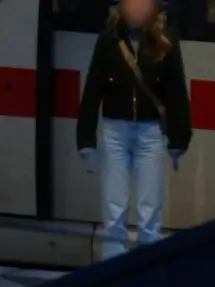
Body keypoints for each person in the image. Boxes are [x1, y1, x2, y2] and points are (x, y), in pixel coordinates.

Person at [76, 0, 190, 260]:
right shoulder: (109, 40)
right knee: (114, 205)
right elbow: (92, 90)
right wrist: (85, 140)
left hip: (150, 132)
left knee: (150, 206)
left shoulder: (165, 40)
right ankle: (112, 263)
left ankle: (148, 265)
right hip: (114, 130)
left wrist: (179, 138)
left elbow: (176, 92)